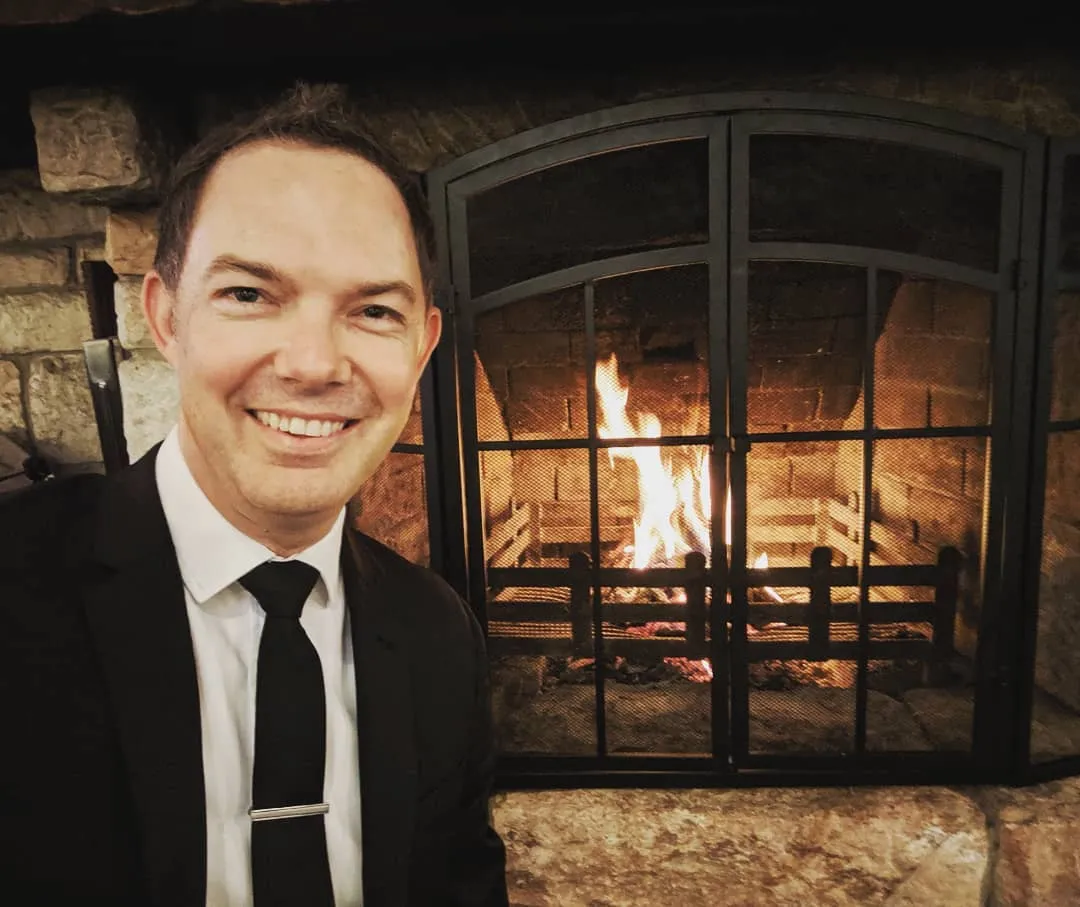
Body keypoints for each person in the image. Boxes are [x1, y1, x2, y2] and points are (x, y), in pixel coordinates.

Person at [0, 83, 509, 907]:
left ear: (422, 349)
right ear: (166, 317)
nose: (314, 364)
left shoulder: (439, 635)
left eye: (375, 310)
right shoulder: (16, 591)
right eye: (249, 293)